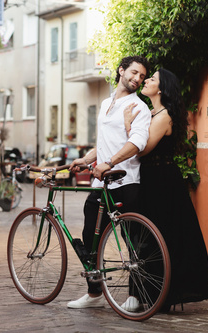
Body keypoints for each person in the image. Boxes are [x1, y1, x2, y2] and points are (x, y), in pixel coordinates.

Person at [123, 68, 208, 311]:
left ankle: (161, 294)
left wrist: (127, 126)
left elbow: (143, 149)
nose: (145, 81)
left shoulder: (164, 116)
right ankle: (148, 293)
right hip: (153, 177)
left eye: (151, 79)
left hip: (161, 181)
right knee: (147, 236)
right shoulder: (153, 112)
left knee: (159, 235)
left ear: (162, 89)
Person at [67, 56, 152, 309]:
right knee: (90, 239)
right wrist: (86, 159)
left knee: (133, 242)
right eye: (134, 73)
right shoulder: (106, 103)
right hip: (101, 186)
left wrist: (110, 163)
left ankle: (135, 296)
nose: (137, 79)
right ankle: (94, 293)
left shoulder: (140, 107)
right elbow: (105, 143)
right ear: (121, 70)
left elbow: (137, 143)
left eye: (142, 77)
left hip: (126, 182)